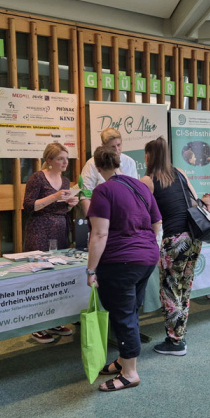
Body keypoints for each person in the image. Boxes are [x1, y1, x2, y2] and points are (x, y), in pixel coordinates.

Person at [86, 146, 161, 391]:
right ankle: (123, 360)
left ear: (97, 167)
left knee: (123, 315)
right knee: (130, 311)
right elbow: (157, 222)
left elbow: (99, 234)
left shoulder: (103, 191)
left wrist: (90, 270)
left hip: (121, 261)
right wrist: (143, 244)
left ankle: (130, 373)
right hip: (147, 258)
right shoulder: (140, 186)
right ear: (119, 162)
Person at [140, 136, 201, 356]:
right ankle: (179, 334)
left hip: (174, 240)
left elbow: (142, 212)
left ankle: (175, 342)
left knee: (169, 290)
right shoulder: (180, 173)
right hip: (194, 238)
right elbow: (196, 201)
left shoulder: (148, 180)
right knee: (184, 288)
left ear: (149, 156)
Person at [23, 142, 80, 343]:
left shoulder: (65, 180)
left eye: (66, 158)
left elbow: (61, 208)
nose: (65, 162)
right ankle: (37, 325)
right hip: (39, 228)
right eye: (60, 159)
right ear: (49, 160)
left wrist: (71, 204)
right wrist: (55, 196)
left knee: (57, 275)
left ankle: (54, 320)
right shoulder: (37, 177)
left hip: (59, 228)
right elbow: (28, 206)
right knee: (40, 277)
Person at [79, 128, 138, 214]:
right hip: (100, 212)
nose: (117, 150)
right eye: (112, 147)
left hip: (126, 212)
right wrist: (90, 219)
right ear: (103, 146)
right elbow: (85, 197)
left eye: (119, 145)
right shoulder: (91, 164)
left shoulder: (130, 162)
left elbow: (134, 191)